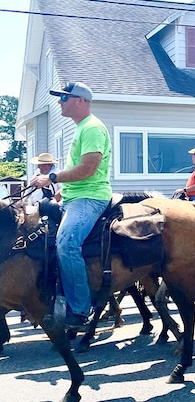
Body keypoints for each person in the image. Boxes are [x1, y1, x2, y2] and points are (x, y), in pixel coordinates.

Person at [30, 82, 112, 330]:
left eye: (64, 98)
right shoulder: (82, 129)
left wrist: (52, 178)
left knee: (66, 243)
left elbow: (88, 170)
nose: (60, 102)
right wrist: (58, 196)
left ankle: (79, 308)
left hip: (91, 198)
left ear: (80, 101)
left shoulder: (92, 128)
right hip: (74, 198)